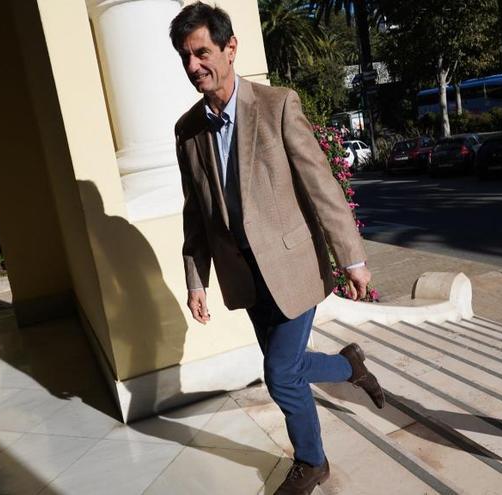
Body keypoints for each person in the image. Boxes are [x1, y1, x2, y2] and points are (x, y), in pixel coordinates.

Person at [169, 4, 385, 494]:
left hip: (293, 265)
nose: (193, 66)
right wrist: (196, 278)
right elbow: (195, 214)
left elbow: (321, 186)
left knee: (280, 374)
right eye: (185, 57)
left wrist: (352, 258)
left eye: (202, 52)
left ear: (230, 48)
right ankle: (350, 365)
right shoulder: (188, 131)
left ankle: (312, 462)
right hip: (242, 274)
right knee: (287, 367)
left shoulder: (277, 104)